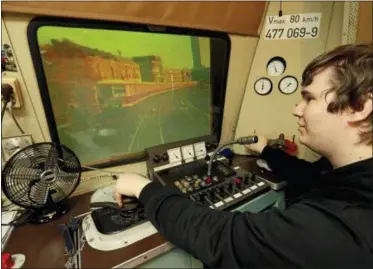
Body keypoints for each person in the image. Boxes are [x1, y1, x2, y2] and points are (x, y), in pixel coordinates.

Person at [114, 44, 373, 268]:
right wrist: (266, 150)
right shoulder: (352, 178)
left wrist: (144, 189)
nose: (297, 109)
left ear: (359, 107)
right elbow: (311, 176)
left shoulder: (341, 229)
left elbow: (221, 237)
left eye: (308, 98)